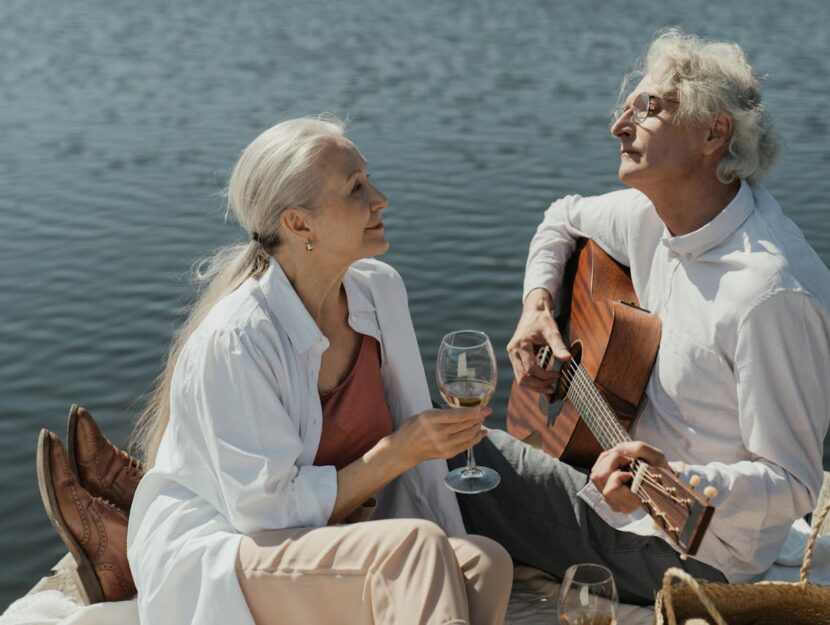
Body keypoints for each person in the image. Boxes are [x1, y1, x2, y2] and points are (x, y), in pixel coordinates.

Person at [40, 117, 514, 625]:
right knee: (416, 548)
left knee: (486, 563)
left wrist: (420, 465)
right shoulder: (239, 338)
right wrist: (398, 451)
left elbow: (408, 473)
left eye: (369, 179)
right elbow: (262, 515)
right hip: (233, 548)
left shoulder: (380, 291)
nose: (380, 198)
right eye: (356, 188)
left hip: (321, 539)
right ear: (298, 224)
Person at [449, 28, 830, 604]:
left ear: (713, 132)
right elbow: (561, 218)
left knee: (448, 453)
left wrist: (676, 477)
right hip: (620, 495)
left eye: (647, 109)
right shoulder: (651, 215)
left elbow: (796, 483)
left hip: (692, 554)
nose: (618, 128)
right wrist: (536, 308)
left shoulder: (771, 293)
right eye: (624, 108)